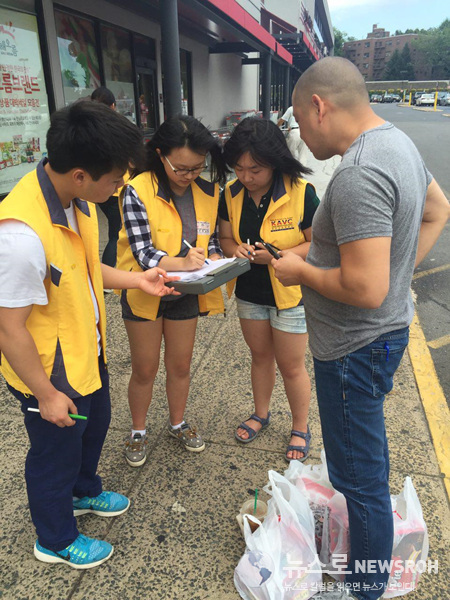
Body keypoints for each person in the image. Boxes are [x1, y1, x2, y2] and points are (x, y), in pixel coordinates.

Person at [272, 57, 449, 599]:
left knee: (361, 483)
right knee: (361, 471)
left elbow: (365, 290)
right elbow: (437, 210)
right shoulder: (397, 142)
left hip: (353, 347)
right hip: (381, 335)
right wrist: (397, 275)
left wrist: (300, 270)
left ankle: (360, 590)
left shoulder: (356, 174)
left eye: (300, 122)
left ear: (320, 107)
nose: (300, 135)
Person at [0, 101, 178, 570]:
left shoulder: (73, 199)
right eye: (116, 179)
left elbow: (80, 267)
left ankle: (83, 492)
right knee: (54, 454)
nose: (119, 187)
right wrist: (46, 394)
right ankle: (55, 539)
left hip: (84, 350)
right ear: (80, 174)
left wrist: (136, 279)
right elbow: (8, 329)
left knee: (93, 428)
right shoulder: (20, 235)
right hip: (50, 372)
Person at [116, 115, 228, 467]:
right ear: (160, 154)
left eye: (197, 167)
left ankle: (177, 423)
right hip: (145, 293)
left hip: (186, 293)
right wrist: (183, 261)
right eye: (181, 168)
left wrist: (214, 257)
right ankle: (138, 431)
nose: (189, 175)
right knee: (144, 368)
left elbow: (211, 245)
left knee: (180, 365)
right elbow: (143, 252)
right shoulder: (137, 189)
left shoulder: (209, 192)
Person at [219, 117, 319, 461]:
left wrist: (277, 256)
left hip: (291, 296)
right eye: (239, 168)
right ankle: (261, 413)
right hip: (250, 293)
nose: (246, 176)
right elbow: (225, 237)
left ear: (274, 162)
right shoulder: (230, 194)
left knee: (292, 366)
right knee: (260, 357)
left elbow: (317, 246)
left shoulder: (301, 192)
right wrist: (237, 250)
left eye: (255, 169)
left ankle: (300, 426)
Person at [91, 87, 126, 271]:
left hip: (97, 188)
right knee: (116, 233)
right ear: (113, 106)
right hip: (113, 193)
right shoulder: (114, 128)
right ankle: (108, 273)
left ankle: (106, 274)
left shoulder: (88, 127)